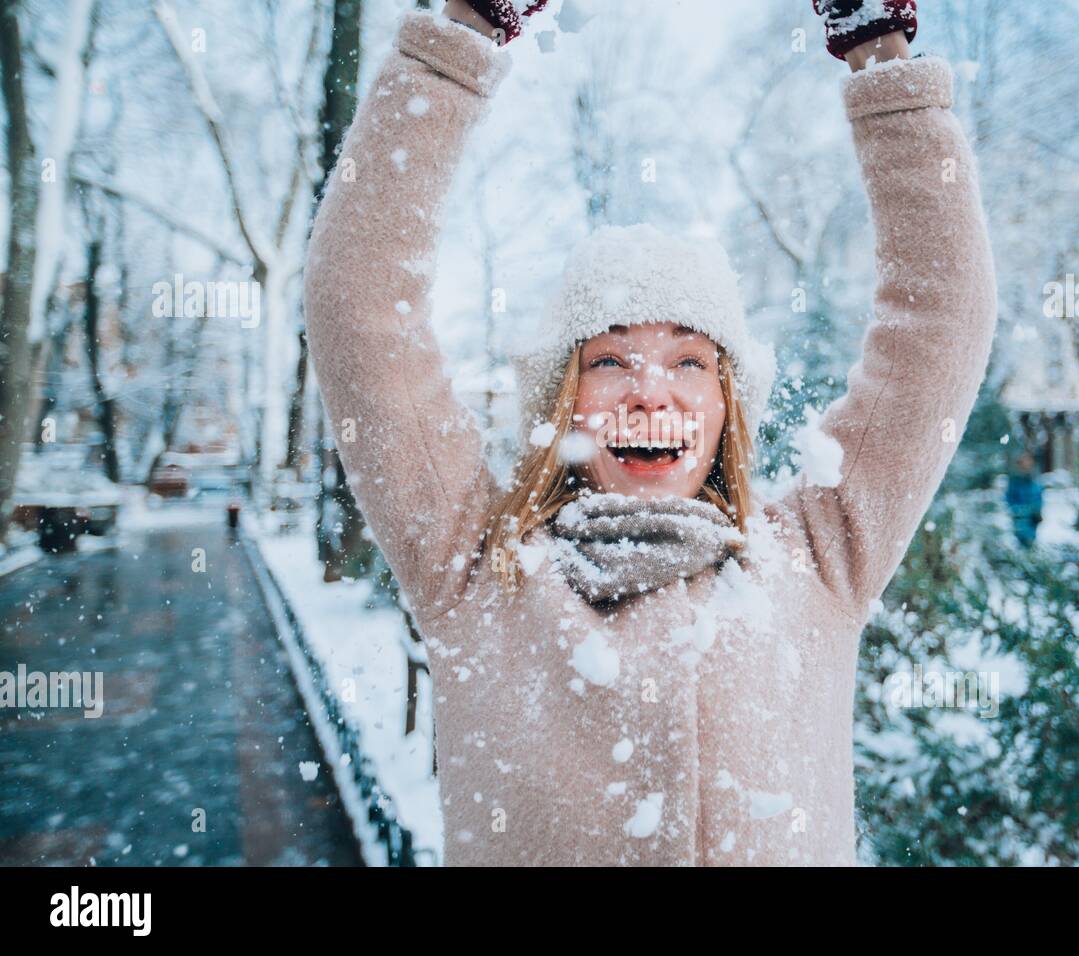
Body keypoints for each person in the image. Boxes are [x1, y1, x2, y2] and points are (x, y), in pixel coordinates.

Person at [303, 0, 996, 866]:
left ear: (727, 407)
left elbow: (943, 325)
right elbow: (358, 304)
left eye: (690, 363)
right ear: (563, 401)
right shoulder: (475, 568)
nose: (648, 392)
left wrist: (879, 52)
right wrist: (464, 27)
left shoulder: (819, 558)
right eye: (610, 360)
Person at [1005, 452, 1044, 548]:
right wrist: (1020, 510)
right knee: (1021, 543)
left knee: (1031, 542)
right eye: (1024, 463)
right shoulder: (1015, 481)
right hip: (1020, 520)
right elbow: (1010, 499)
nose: (1027, 465)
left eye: (1029, 463)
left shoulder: (1035, 480)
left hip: (1033, 519)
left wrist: (1037, 510)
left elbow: (1038, 497)